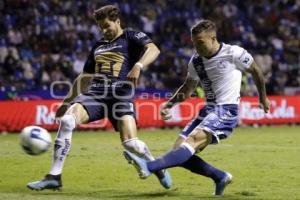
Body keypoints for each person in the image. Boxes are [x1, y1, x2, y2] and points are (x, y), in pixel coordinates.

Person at [27, 5, 171, 190]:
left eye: (107, 26)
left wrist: (138, 66)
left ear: (117, 21)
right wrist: (66, 102)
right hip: (96, 95)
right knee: (68, 120)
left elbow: (154, 50)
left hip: (121, 97)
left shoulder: (130, 36)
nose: (104, 30)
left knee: (131, 144)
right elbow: (85, 77)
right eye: (101, 27)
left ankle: (156, 166)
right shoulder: (98, 46)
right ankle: (54, 176)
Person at [124, 19, 270, 196]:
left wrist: (263, 98)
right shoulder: (196, 61)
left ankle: (149, 166)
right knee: (179, 150)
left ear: (213, 38)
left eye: (200, 43)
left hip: (226, 109)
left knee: (192, 141)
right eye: (194, 44)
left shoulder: (234, 53)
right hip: (208, 110)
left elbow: (256, 71)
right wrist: (169, 104)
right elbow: (188, 88)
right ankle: (220, 176)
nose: (197, 48)